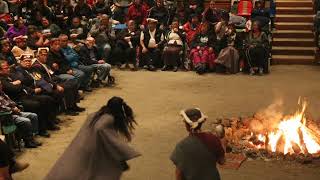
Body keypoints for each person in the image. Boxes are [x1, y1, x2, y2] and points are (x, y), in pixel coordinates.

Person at [45, 96, 141, 180]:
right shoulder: (108, 119)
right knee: (90, 173)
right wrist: (122, 157)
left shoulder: (97, 114)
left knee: (82, 171)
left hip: (84, 144)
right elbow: (105, 134)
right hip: (92, 148)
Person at [170, 108, 225, 180]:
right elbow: (222, 161)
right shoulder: (213, 139)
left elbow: (179, 174)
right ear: (201, 123)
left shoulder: (182, 146)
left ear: (186, 125)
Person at [0, 60, 51, 137]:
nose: (8, 69)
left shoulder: (10, 75)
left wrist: (18, 83)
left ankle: (48, 124)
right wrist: (17, 84)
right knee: (37, 104)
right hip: (17, 100)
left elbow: (24, 79)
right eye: (5, 68)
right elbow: (13, 89)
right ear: (0, 71)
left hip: (25, 95)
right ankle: (41, 130)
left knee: (46, 99)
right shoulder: (2, 80)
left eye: (8, 67)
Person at [33, 47, 85, 114]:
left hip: (54, 81)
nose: (45, 57)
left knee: (73, 83)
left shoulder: (45, 64)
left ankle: (74, 105)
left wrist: (57, 78)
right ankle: (68, 109)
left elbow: (52, 74)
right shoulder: (36, 66)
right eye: (42, 55)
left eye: (46, 55)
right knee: (67, 87)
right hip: (48, 86)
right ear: (37, 56)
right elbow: (44, 79)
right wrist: (56, 85)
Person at [0, 81, 41, 148]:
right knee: (26, 121)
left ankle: (32, 137)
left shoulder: (2, 93)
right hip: (7, 116)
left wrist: (15, 107)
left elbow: (11, 101)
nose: (1, 86)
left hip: (15, 112)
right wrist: (12, 109)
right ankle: (28, 142)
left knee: (33, 116)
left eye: (1, 84)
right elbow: (2, 108)